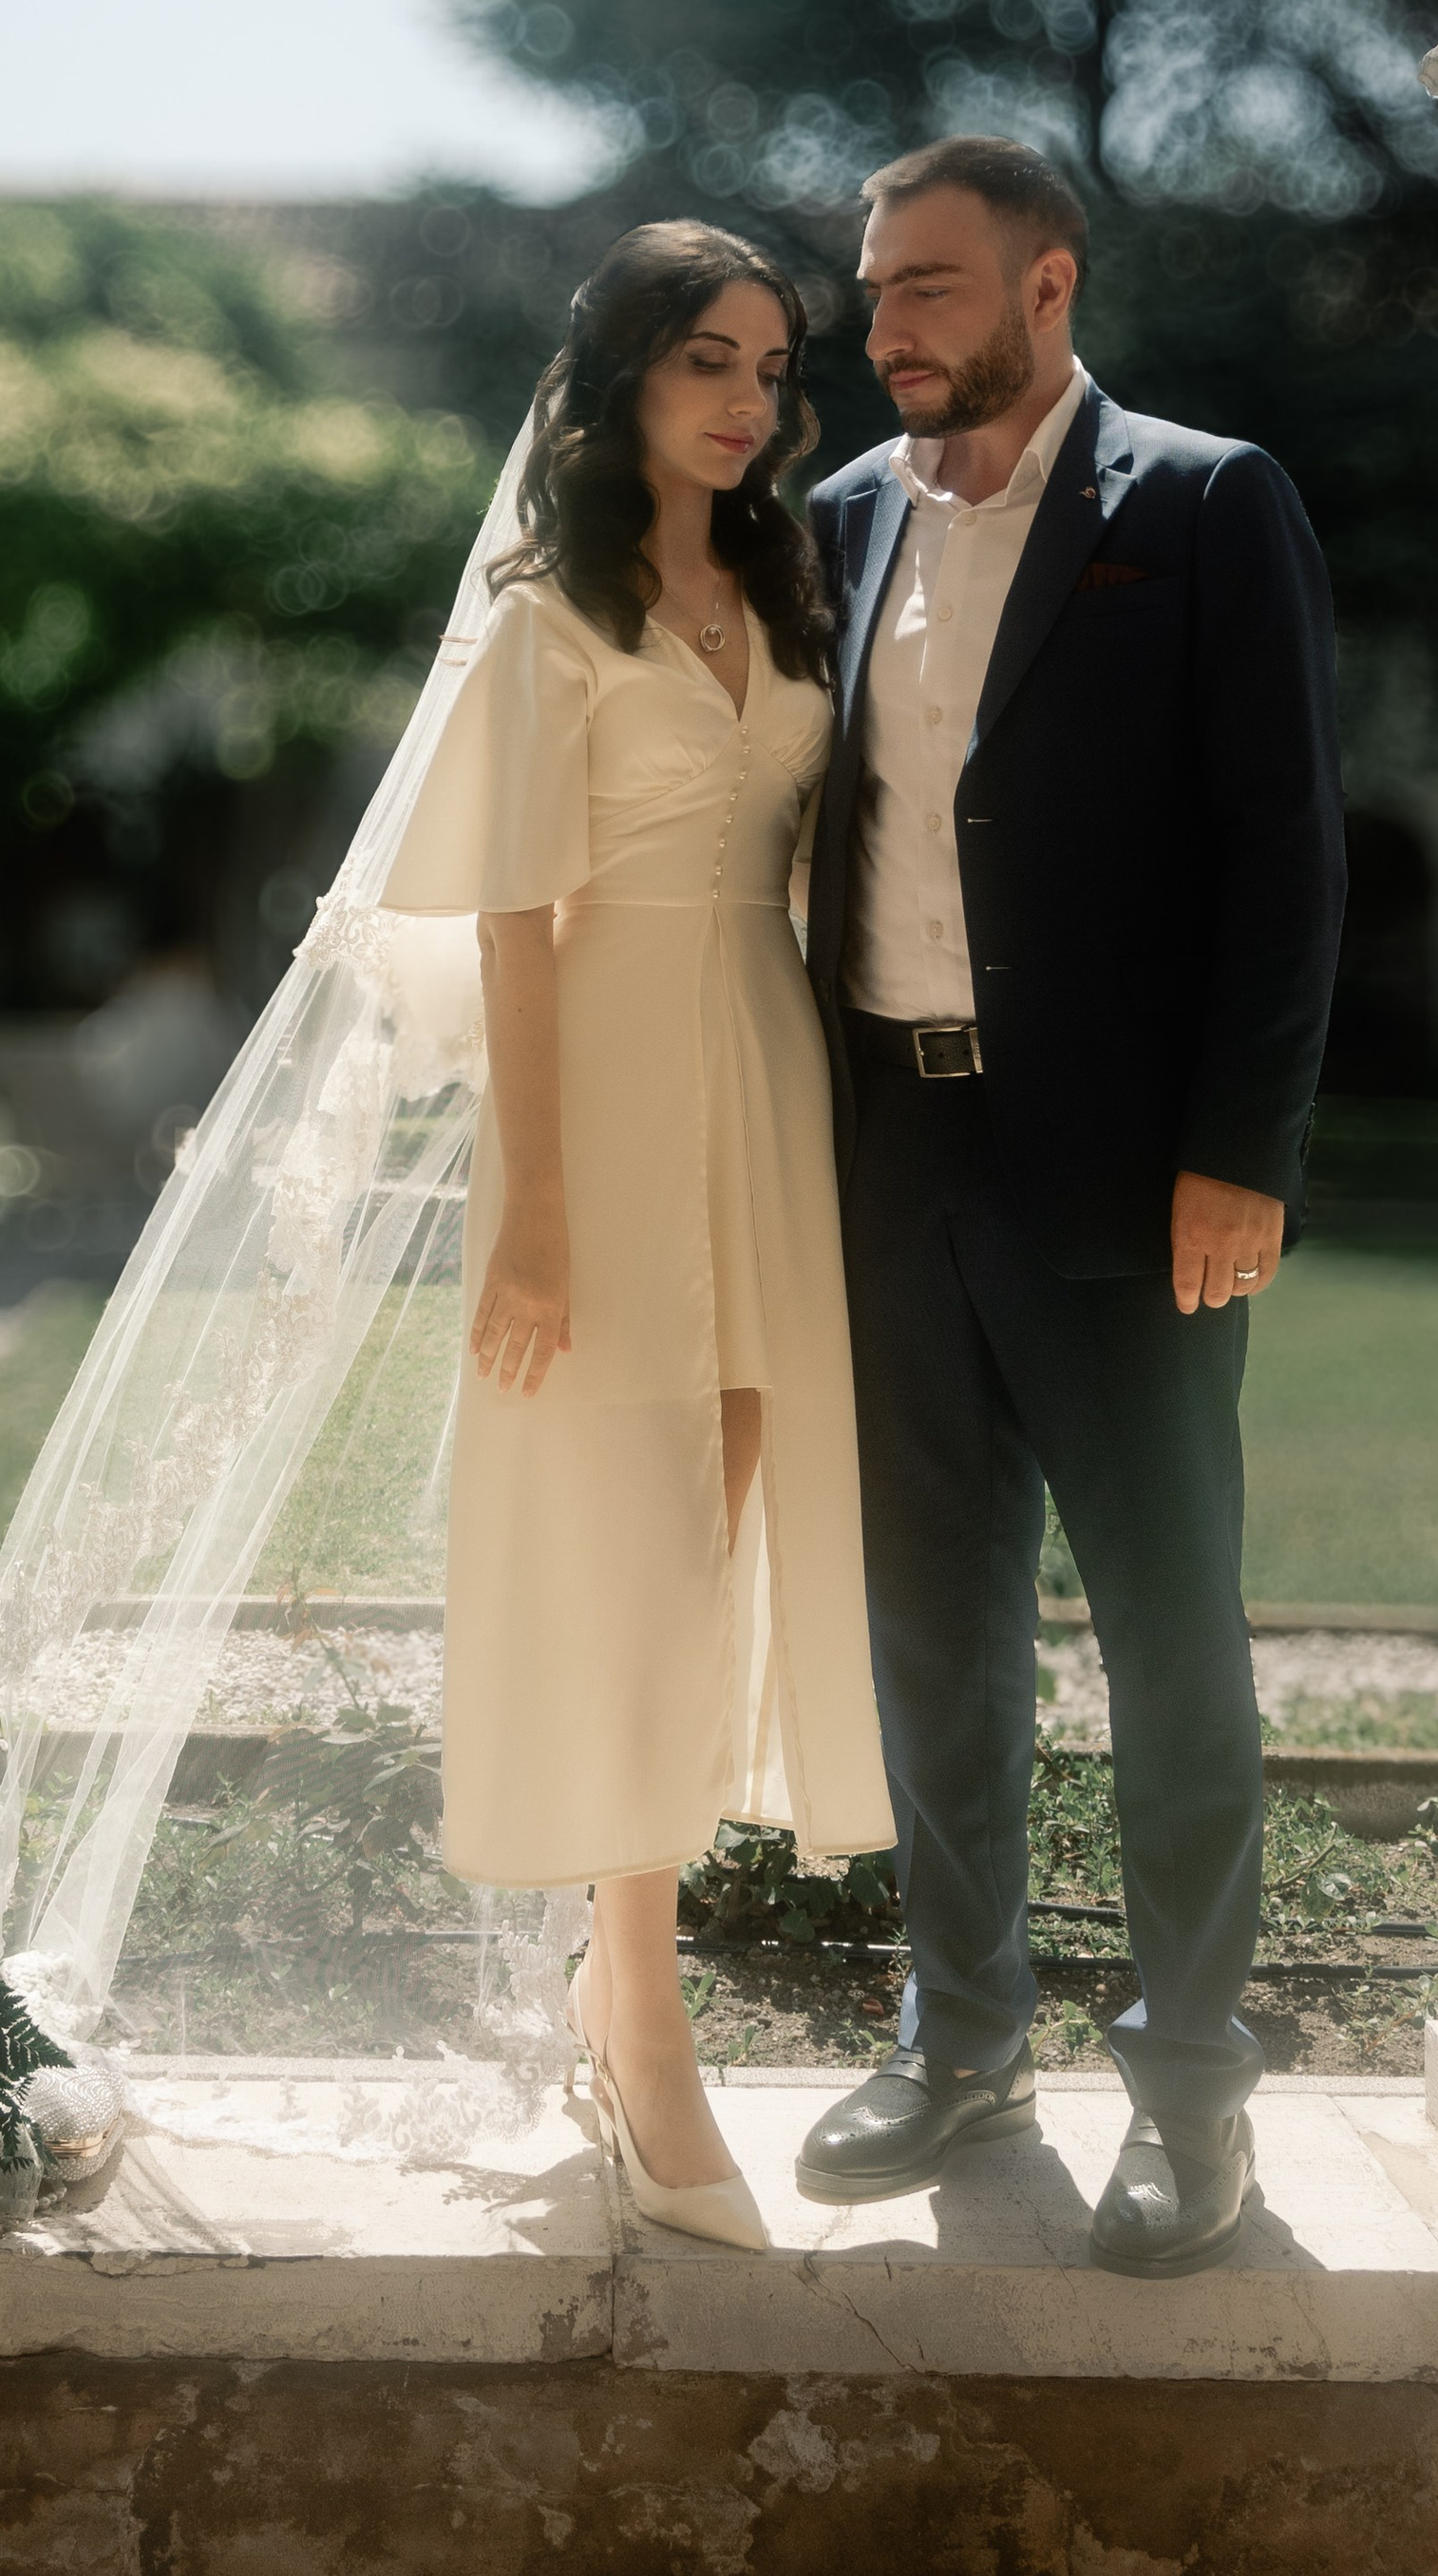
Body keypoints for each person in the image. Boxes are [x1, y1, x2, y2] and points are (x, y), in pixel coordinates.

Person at [793, 134, 1346, 2278]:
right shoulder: (833, 521)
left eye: (924, 284)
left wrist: (1245, 1147)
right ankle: (962, 2036)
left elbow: (1277, 849)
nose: (883, 324)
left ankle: (1190, 2087)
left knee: (1165, 1633)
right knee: (932, 1632)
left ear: (1045, 286)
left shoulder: (1201, 502)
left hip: (1130, 1179)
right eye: (870, 290)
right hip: (887, 1157)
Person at [381, 220, 895, 2250]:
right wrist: (532, 1221)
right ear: (616, 380)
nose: (746, 397)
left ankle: (625, 1975)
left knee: (725, 1521)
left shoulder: (782, 583)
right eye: (706, 356)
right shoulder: (546, 623)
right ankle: (645, 2005)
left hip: (761, 1081)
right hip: (593, 1086)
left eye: (770, 364)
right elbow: (508, 925)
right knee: (628, 1530)